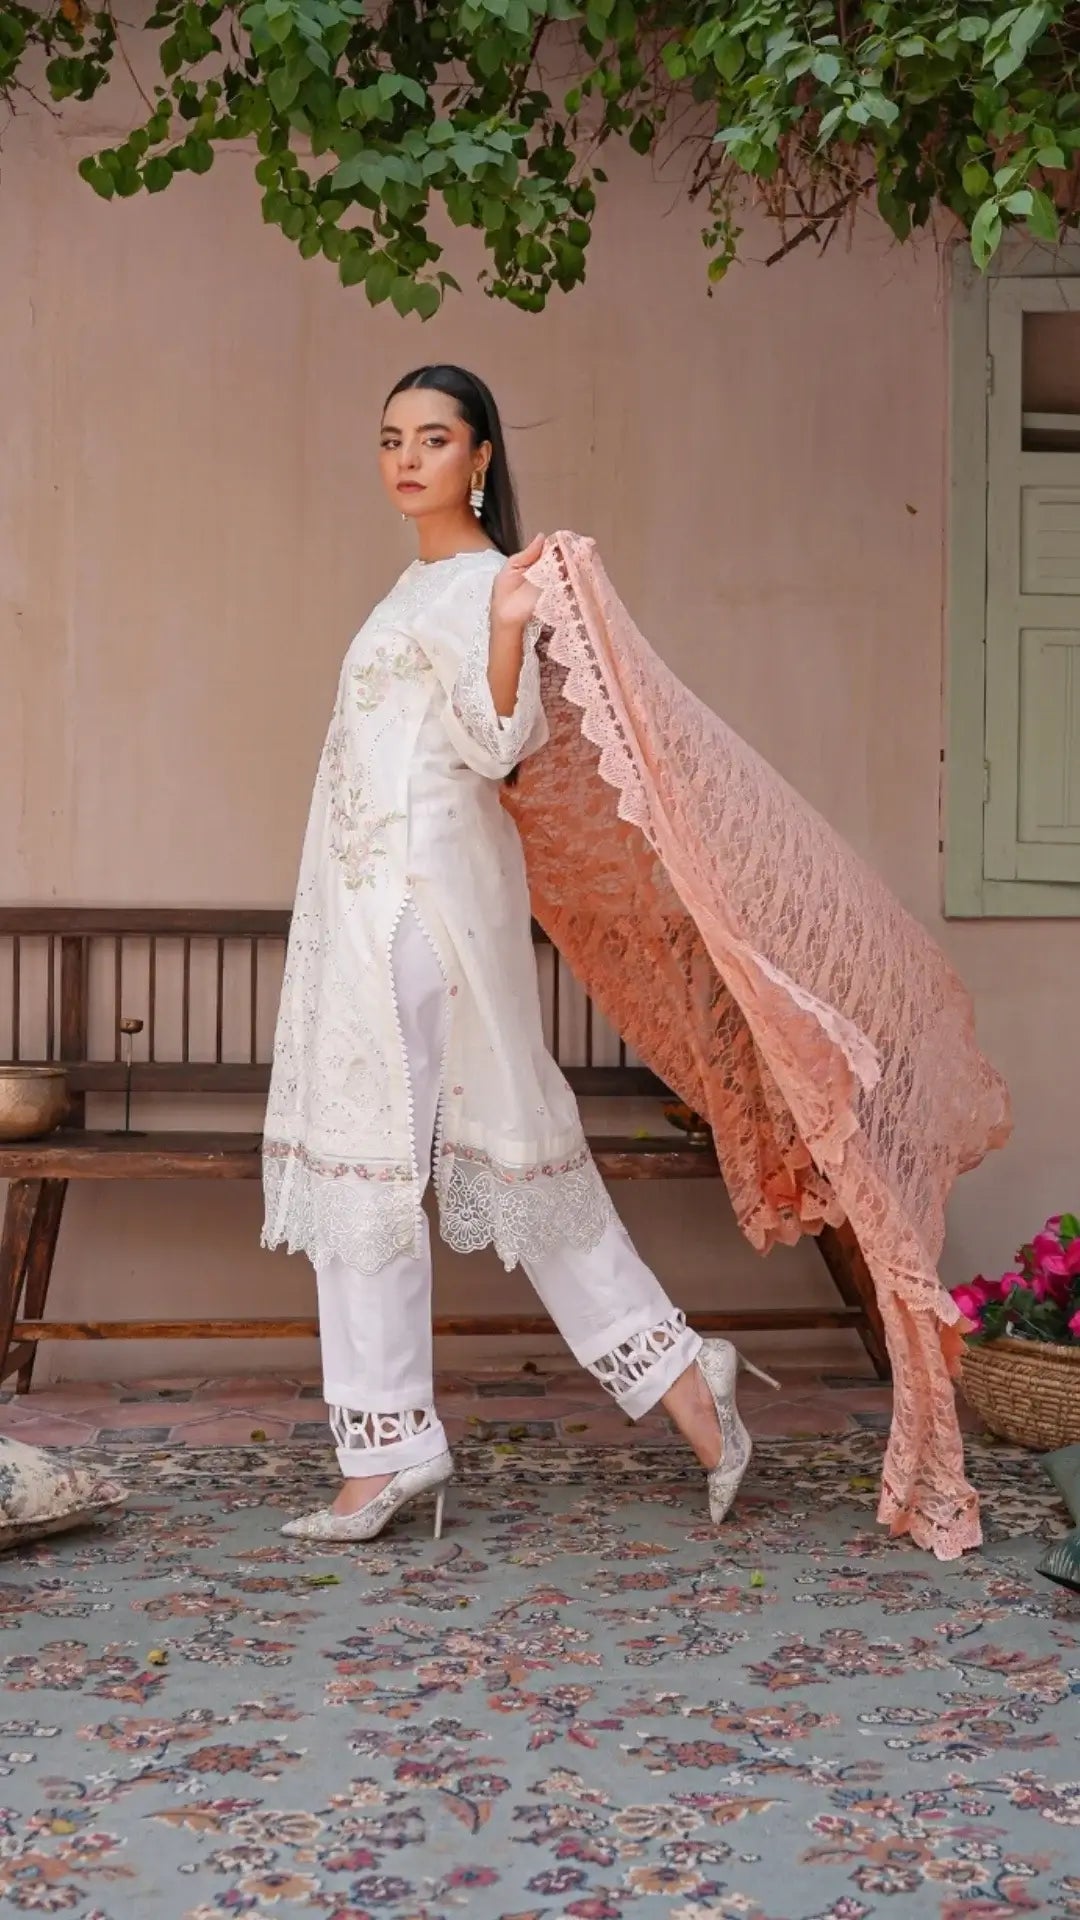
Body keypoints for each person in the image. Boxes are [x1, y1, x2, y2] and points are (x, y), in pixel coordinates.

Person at [262, 364, 775, 1542]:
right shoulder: (411, 584)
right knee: (509, 1154)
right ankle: (687, 1382)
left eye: (434, 440)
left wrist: (505, 629)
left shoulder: (492, 583)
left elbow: (499, 744)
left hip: (420, 906)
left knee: (371, 1170)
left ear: (481, 458)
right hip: (370, 907)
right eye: (390, 437)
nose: (406, 458)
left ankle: (384, 1448)